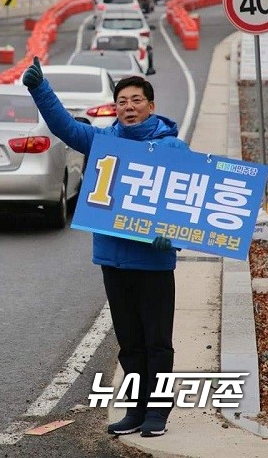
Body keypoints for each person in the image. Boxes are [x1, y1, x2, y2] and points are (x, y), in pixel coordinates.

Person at [23, 57, 190, 438]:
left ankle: (157, 414)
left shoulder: (172, 147)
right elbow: (65, 127)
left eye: (136, 100)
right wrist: (40, 89)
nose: (128, 107)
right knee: (130, 344)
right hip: (114, 260)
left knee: (157, 344)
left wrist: (174, 235)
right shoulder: (104, 141)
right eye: (122, 102)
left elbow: (188, 205)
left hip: (153, 262)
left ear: (151, 105)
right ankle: (135, 411)